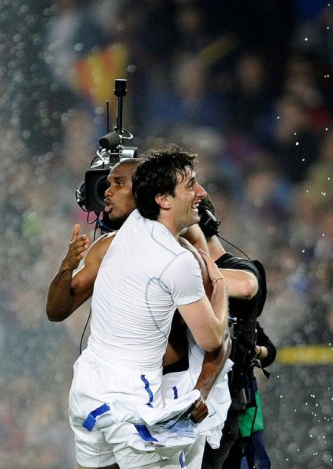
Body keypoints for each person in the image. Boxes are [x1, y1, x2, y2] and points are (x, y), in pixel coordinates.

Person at [58, 146, 230, 468]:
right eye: (191, 185)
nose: (201, 193)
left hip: (87, 390)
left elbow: (169, 214)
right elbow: (212, 340)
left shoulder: (126, 230)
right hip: (130, 404)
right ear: (162, 199)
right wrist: (219, 286)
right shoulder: (177, 261)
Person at [192, 196, 277, 469]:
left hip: (226, 411)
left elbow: (248, 286)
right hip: (192, 405)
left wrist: (254, 351)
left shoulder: (240, 270)